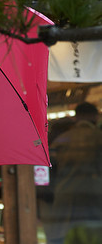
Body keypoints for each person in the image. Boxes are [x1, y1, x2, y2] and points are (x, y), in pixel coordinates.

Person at [46, 102, 102, 244]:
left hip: (64, 201)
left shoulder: (61, 140)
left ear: (75, 118)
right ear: (96, 117)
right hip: (95, 201)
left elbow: (47, 173)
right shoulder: (99, 138)